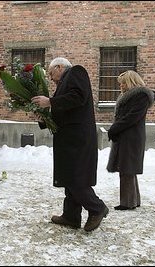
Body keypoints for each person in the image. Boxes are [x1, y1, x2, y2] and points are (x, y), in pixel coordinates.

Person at [31, 57, 108, 232]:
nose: (51, 78)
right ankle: (71, 216)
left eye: (51, 73)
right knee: (69, 176)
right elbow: (65, 110)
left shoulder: (76, 71)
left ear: (59, 67)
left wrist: (50, 101)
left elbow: (78, 97)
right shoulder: (62, 85)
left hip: (77, 138)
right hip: (69, 138)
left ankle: (97, 208)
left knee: (76, 177)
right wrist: (44, 119)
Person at [106, 70, 155, 210]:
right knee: (128, 169)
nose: (121, 86)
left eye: (123, 83)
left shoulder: (140, 96)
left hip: (131, 137)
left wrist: (114, 129)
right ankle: (134, 200)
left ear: (131, 82)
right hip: (128, 136)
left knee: (127, 169)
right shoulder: (134, 96)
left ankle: (127, 203)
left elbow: (131, 117)